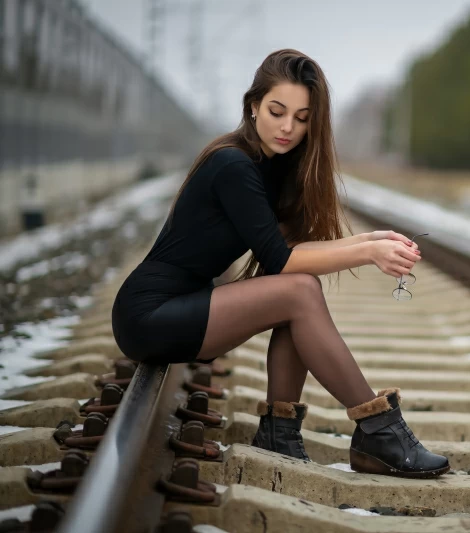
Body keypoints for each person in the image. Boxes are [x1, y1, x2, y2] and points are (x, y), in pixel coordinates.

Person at [111, 49, 449, 478]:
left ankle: (280, 432)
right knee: (300, 289)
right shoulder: (231, 163)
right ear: (253, 106)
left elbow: (291, 254)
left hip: (185, 304)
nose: (288, 127)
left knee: (300, 289)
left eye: (302, 117)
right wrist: (366, 250)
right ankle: (378, 429)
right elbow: (281, 260)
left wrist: (370, 239)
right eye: (276, 111)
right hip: (149, 314)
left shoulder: (271, 169)